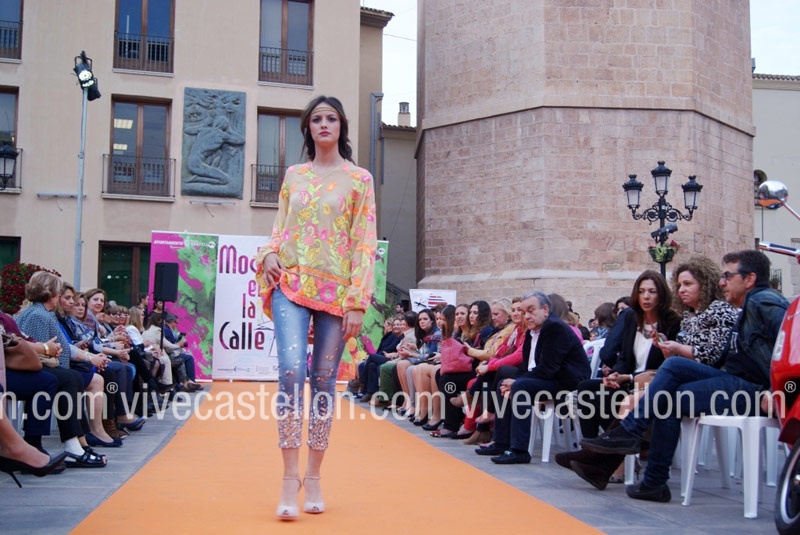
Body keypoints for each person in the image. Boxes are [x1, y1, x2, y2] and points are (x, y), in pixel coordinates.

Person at [580, 249, 788, 503]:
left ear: (749, 279)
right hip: (734, 380)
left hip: (752, 389)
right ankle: (650, 478)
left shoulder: (763, 301)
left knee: (673, 374)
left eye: (727, 276)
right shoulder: (748, 306)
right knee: (668, 390)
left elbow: (792, 345)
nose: (722, 282)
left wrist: (777, 389)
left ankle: (634, 442)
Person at [254, 95, 377, 520]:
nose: (324, 124)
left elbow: (364, 242)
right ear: (308, 128)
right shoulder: (294, 175)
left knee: (323, 380)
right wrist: (270, 253)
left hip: (337, 293)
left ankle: (315, 475)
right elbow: (279, 227)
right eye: (317, 119)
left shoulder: (359, 179)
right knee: (291, 369)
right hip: (290, 283)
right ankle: (289, 478)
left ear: (341, 127)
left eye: (332, 118)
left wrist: (357, 301)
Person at [475, 291, 591, 464]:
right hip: (547, 378)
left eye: (531, 310)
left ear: (545, 309)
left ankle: (520, 450)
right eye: (523, 312)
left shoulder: (555, 328)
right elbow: (526, 367)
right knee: (503, 383)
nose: (526, 316)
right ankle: (501, 442)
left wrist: (517, 381)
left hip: (566, 382)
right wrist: (513, 381)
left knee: (519, 386)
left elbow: (548, 369)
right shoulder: (532, 330)